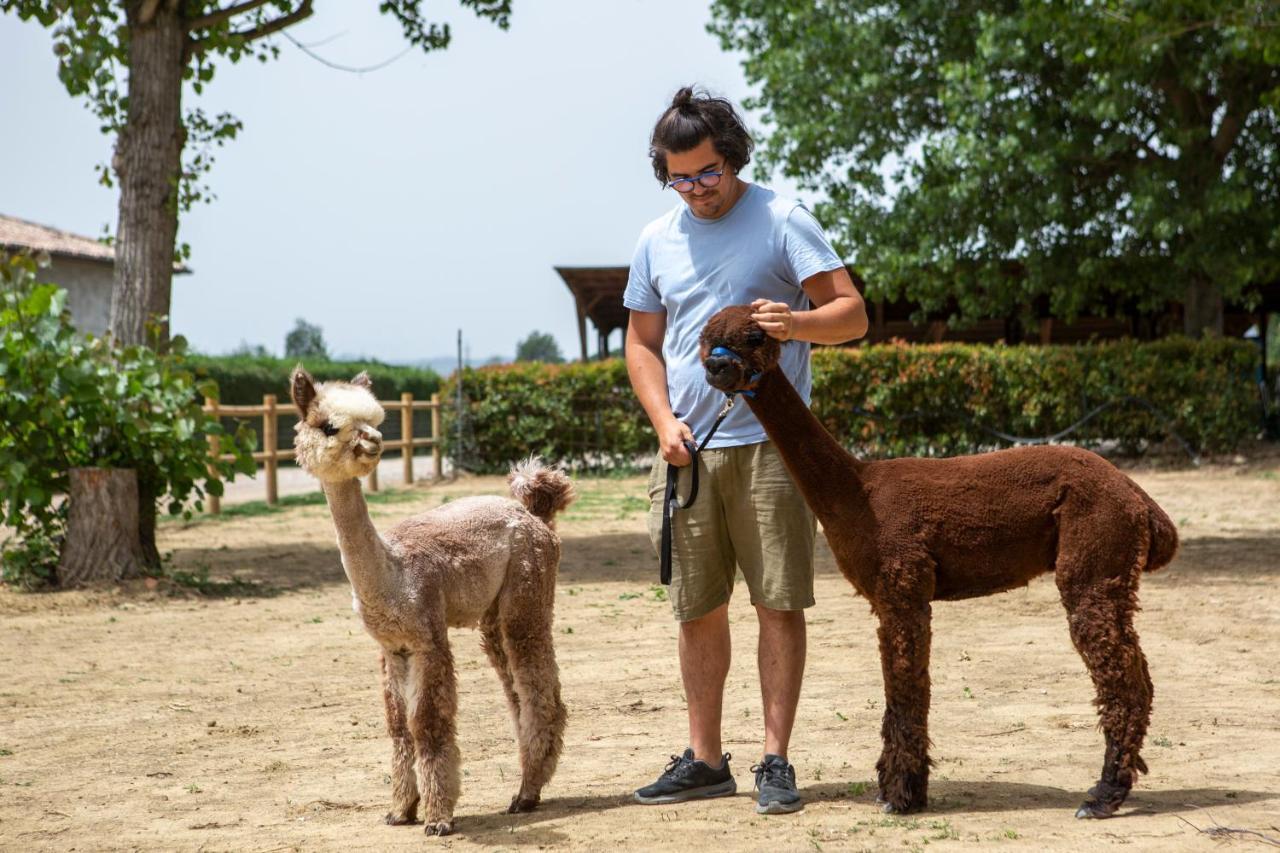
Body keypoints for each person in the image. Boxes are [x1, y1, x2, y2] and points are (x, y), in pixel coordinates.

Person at [624, 86, 868, 815]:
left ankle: (775, 759)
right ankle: (704, 760)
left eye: (708, 173)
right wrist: (664, 421)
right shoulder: (655, 239)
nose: (697, 190)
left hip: (772, 447)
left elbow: (851, 315)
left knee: (776, 602)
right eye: (680, 177)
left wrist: (796, 323)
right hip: (688, 452)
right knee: (696, 608)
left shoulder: (782, 218)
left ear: (732, 158)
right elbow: (641, 343)